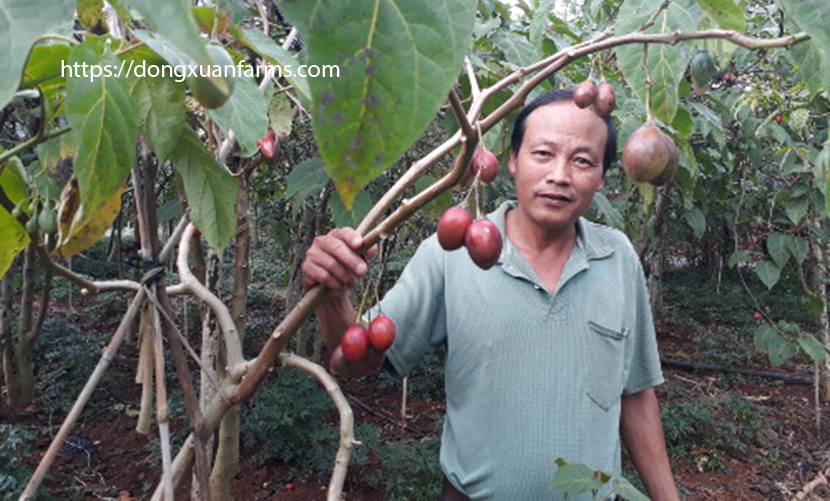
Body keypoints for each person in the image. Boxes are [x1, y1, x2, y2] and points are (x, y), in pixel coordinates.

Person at [301, 89, 679, 500]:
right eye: (543, 154)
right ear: (513, 160)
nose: (559, 175)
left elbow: (636, 394)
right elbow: (355, 360)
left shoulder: (617, 257)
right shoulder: (453, 253)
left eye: (583, 161)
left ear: (603, 178)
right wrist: (334, 293)